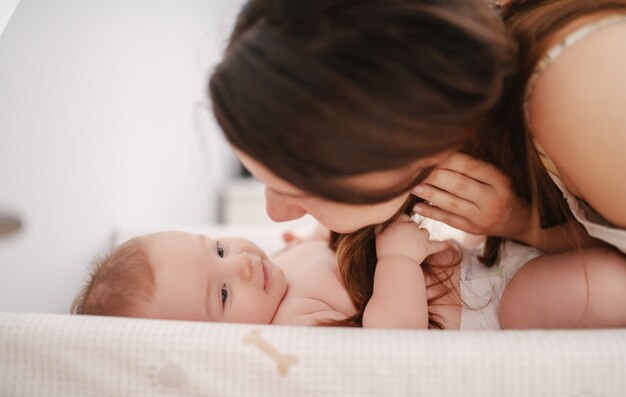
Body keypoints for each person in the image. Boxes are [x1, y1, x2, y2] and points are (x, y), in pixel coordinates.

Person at [208, 0, 626, 264]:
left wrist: (528, 227)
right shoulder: (441, 95)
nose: (276, 214)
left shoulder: (585, 91)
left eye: (304, 188)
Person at [71, 213, 626, 329]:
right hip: (493, 299)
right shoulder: (292, 323)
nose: (241, 263)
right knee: (595, 286)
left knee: (591, 232)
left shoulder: (276, 269)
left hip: (487, 250)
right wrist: (399, 261)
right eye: (220, 293)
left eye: (217, 247)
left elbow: (330, 243)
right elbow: (390, 338)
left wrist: (319, 233)